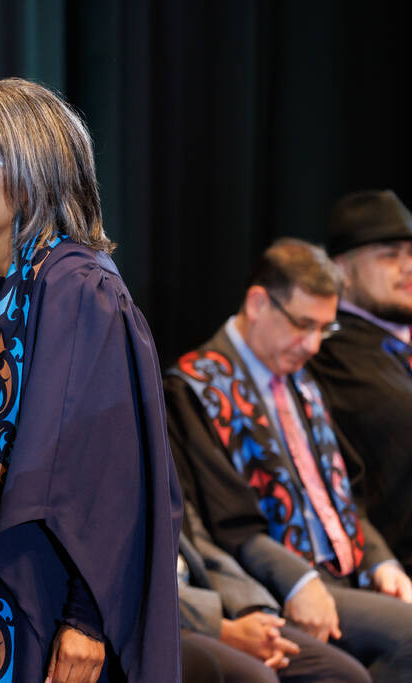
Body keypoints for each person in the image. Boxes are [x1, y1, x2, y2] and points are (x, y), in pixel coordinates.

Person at [0, 78, 181, 683]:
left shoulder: (77, 287)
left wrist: (86, 618)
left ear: (21, 174)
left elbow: (110, 474)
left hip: (44, 603)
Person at [165, 238, 412, 681]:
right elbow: (229, 526)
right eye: (303, 325)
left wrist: (381, 561)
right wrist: (301, 582)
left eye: (324, 329)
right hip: (273, 586)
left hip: (345, 573)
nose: (314, 345)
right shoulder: (195, 389)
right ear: (259, 303)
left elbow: (343, 490)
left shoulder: (302, 381)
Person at [306, 190, 412, 575]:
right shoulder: (326, 352)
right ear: (342, 271)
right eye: (389, 255)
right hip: (389, 566)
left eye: (411, 253)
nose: (408, 267)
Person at [178, 504, 370, 682]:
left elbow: (205, 550)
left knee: (341, 674)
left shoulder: (169, 473)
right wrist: (220, 628)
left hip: (212, 602)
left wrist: (252, 612)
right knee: (256, 677)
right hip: (172, 618)